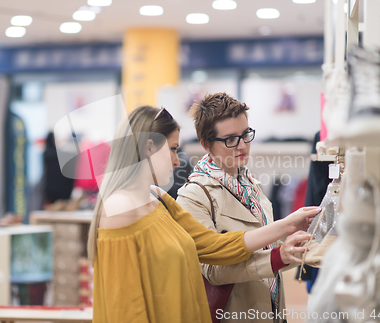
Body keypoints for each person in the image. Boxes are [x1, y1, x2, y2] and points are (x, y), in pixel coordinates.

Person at [87, 105, 320, 323]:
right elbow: (124, 307)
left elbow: (214, 246)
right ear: (149, 147)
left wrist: (289, 225)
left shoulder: (158, 198)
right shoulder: (120, 209)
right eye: (172, 149)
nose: (178, 161)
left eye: (245, 135)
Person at [176, 92, 308, 322]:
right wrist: (278, 255)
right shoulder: (193, 196)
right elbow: (214, 270)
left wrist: (293, 248)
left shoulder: (251, 186)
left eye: (246, 134)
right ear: (206, 144)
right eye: (230, 139)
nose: (242, 145)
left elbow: (271, 252)